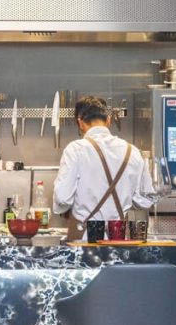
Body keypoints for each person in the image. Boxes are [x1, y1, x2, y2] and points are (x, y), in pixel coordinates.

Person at [53, 95, 153, 242]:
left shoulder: (75, 150)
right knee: (113, 266)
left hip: (83, 240)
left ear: (80, 122)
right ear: (108, 120)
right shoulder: (133, 152)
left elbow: (62, 199)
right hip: (117, 239)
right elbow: (145, 201)